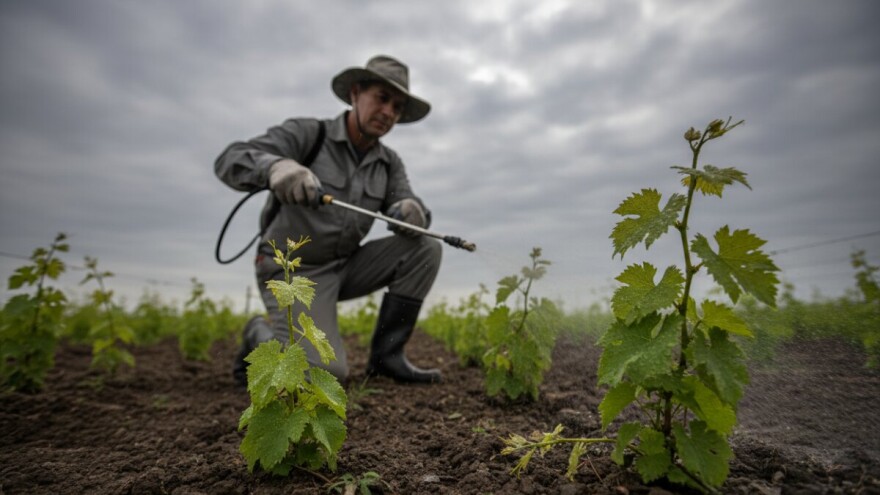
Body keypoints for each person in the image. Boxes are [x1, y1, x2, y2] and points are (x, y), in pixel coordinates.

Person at [215, 55, 442, 387]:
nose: (389, 113)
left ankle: (387, 359)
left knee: (426, 248)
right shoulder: (309, 134)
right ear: (355, 93)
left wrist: (413, 209)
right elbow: (229, 159)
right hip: (292, 271)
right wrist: (276, 167)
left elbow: (409, 204)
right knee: (323, 374)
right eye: (382, 98)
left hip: (345, 266)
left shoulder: (389, 163)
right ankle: (258, 333)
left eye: (397, 106)